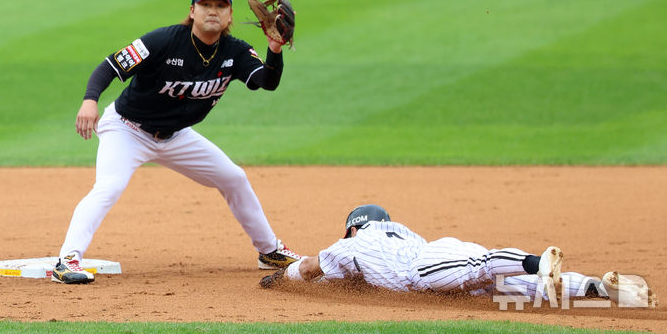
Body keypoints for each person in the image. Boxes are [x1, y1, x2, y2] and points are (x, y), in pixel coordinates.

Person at [51, 0, 301, 284]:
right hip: (126, 130)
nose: (213, 11)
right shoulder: (163, 41)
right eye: (206, 4)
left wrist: (275, 50)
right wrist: (90, 100)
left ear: (230, 15)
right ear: (192, 10)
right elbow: (111, 66)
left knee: (234, 178)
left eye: (220, 5)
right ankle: (67, 260)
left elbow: (267, 81)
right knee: (110, 186)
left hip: (177, 136)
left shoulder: (235, 51)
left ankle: (269, 251)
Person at [260, 204, 658, 308]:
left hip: (425, 269)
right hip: (439, 257)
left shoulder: (349, 245)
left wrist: (282, 278)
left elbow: (312, 268)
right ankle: (602, 289)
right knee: (516, 289)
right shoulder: (398, 233)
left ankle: (538, 261)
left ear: (352, 227)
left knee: (482, 268)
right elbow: (337, 277)